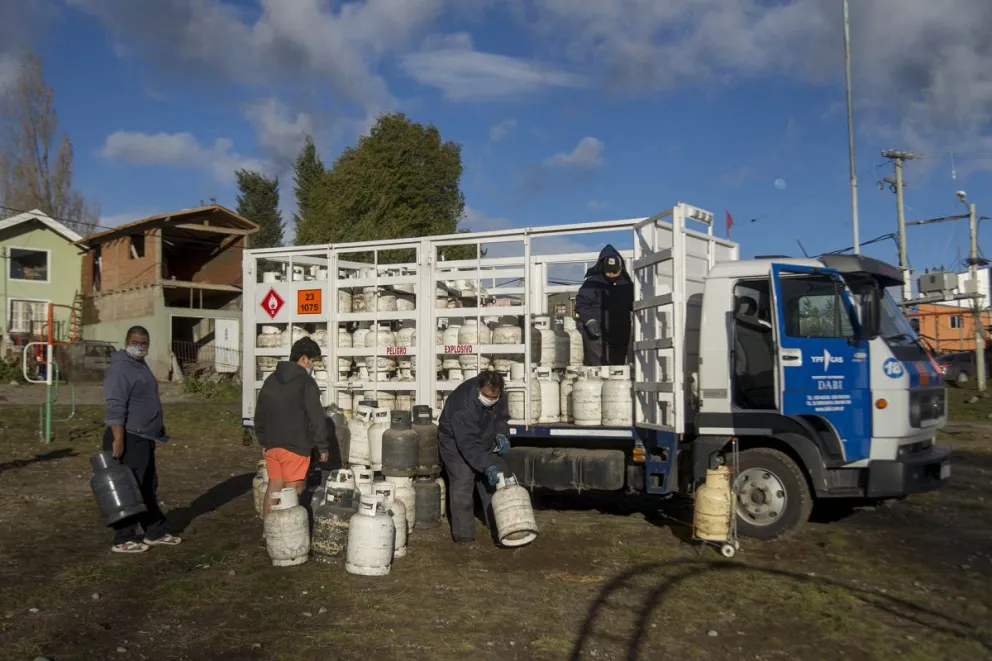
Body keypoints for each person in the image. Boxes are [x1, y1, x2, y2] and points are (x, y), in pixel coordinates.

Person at [103, 326, 182, 554]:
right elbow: (115, 406)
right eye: (136, 342)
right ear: (127, 341)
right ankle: (123, 538)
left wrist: (157, 425)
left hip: (143, 436)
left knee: (148, 485)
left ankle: (154, 531)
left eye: (144, 343)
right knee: (130, 488)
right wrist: (118, 438)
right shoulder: (120, 369)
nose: (140, 346)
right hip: (128, 436)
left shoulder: (139, 364)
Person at [254, 336, 329, 517]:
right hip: (296, 446)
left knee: (274, 486)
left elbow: (260, 413)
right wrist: (323, 447)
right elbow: (316, 417)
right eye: (313, 362)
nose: (313, 367)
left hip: (272, 445)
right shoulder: (306, 383)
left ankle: (269, 531)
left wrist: (263, 441)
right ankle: (286, 537)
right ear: (304, 359)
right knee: (292, 490)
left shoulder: (271, 379)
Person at [437, 370, 512, 545]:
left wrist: (502, 434)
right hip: (456, 441)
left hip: (484, 436)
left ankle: (501, 527)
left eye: (495, 397)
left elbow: (501, 418)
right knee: (463, 481)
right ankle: (464, 535)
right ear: (479, 388)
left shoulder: (499, 394)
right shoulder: (462, 406)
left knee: (496, 480)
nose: (491, 400)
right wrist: (486, 465)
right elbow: (468, 443)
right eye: (487, 396)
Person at [575, 244, 635, 366]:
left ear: (621, 268)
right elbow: (582, 304)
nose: (611, 275)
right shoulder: (592, 283)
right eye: (608, 272)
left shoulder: (627, 285)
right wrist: (589, 320)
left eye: (614, 272)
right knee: (598, 369)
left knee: (617, 369)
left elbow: (634, 305)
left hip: (620, 332)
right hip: (597, 333)